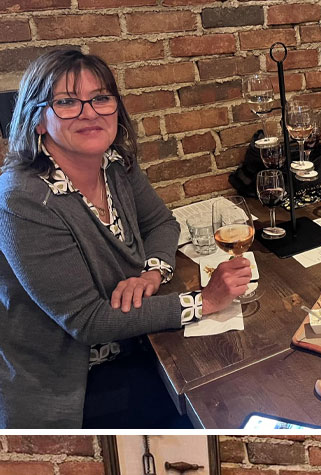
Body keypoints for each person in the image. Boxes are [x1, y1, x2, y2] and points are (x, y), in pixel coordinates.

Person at [0, 48, 252, 429]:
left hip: (139, 340)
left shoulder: (115, 163)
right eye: (67, 102)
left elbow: (162, 224)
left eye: (101, 98)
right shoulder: (22, 200)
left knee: (236, 380)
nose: (90, 112)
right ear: (38, 119)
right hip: (75, 381)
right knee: (215, 412)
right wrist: (204, 302)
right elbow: (87, 321)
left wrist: (152, 272)